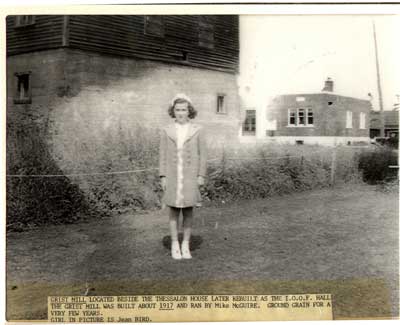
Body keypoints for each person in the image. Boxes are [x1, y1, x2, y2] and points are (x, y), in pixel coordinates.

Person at [159, 93, 207, 260]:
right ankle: (174, 244)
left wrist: (201, 175)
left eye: (184, 109)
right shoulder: (166, 130)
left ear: (189, 111)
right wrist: (163, 176)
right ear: (173, 111)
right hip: (173, 176)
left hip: (190, 176)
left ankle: (185, 244)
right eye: (177, 109)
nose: (180, 113)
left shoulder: (197, 130)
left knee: (188, 211)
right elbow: (162, 155)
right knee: (173, 210)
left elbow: (203, 155)